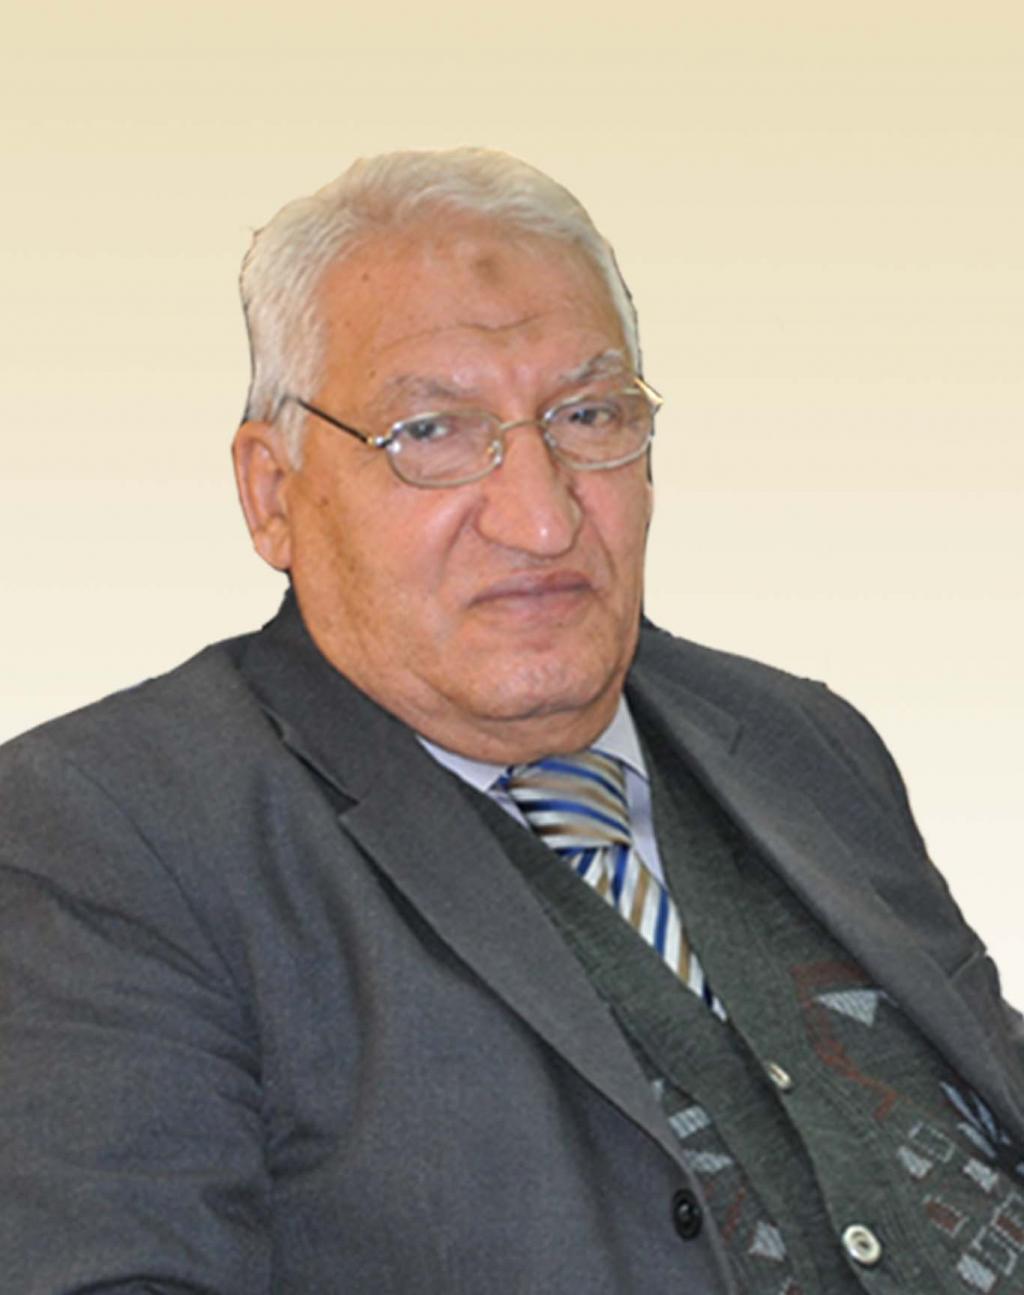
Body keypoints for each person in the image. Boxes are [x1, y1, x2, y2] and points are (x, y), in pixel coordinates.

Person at [1, 148, 1022, 1295]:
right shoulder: (104, 833)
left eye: (587, 414)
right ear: (272, 493)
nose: (540, 518)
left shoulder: (801, 737)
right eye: (431, 431)